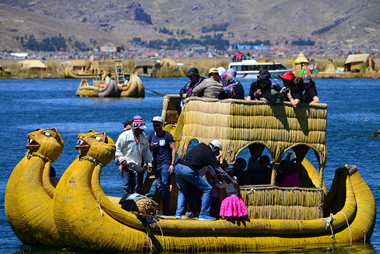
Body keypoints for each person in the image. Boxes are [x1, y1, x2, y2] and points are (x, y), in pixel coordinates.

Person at [175, 140, 238, 220]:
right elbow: (221, 172)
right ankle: (203, 214)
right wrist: (232, 182)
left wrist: (214, 159)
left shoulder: (201, 145)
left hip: (178, 167)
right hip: (188, 170)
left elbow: (200, 157)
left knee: (182, 190)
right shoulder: (210, 154)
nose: (217, 153)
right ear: (214, 148)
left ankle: (178, 214)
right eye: (217, 151)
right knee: (208, 189)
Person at [115, 115, 153, 207]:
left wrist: (149, 163)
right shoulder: (124, 136)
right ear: (135, 127)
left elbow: (146, 151)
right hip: (127, 162)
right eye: (141, 128)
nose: (142, 130)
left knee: (130, 184)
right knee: (135, 176)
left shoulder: (143, 136)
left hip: (137, 163)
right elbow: (117, 149)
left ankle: (130, 202)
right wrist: (121, 159)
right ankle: (136, 193)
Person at [148, 116, 176, 216]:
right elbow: (148, 152)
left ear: (162, 125)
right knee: (160, 186)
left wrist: (172, 164)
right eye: (154, 125)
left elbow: (173, 149)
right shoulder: (151, 136)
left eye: (157, 125)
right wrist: (150, 148)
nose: (155, 127)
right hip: (156, 164)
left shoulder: (167, 135)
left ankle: (166, 208)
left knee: (165, 184)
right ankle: (163, 207)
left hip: (166, 163)